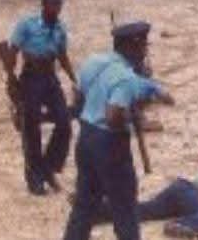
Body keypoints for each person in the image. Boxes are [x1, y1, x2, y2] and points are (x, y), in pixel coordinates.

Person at [63, 21, 175, 240]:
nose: (145, 52)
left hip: (86, 137)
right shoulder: (125, 78)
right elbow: (113, 116)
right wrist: (132, 118)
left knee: (85, 203)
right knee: (124, 206)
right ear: (132, 46)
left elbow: (78, 96)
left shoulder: (94, 61)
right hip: (110, 143)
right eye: (143, 46)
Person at [0, 0, 77, 195]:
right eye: (53, 3)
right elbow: (13, 51)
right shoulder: (27, 25)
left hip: (50, 77)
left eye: (59, 3)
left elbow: (62, 55)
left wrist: (74, 79)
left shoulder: (60, 28)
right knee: (31, 128)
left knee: (64, 123)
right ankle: (34, 177)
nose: (57, 7)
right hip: (31, 78)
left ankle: (48, 167)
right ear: (44, 4)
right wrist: (11, 79)